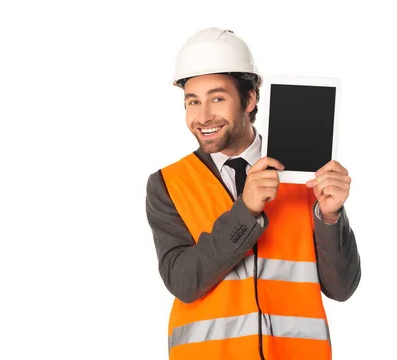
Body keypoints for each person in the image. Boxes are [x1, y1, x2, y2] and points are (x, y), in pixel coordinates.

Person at [145, 27, 361, 360]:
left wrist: (330, 217)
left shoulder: (305, 173)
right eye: (193, 101)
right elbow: (183, 282)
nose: (202, 117)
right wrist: (244, 212)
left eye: (217, 98)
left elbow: (342, 288)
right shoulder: (167, 184)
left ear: (250, 99)